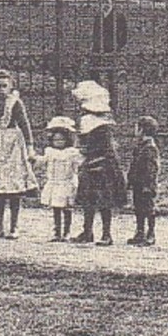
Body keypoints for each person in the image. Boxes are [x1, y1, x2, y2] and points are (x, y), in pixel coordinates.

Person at [71, 80, 127, 245]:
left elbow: (106, 148)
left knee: (104, 201)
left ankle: (106, 234)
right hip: (91, 165)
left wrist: (90, 156)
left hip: (102, 167)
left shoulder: (101, 124)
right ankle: (87, 232)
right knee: (88, 200)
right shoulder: (91, 120)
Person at [0, 69, 38, 239]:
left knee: (13, 188)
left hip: (13, 145)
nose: (1, 89)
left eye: (4, 86)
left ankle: (14, 226)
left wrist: (30, 147)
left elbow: (24, 125)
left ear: (10, 86)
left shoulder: (15, 102)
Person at [36, 116, 84, 242]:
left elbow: (78, 164)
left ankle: (66, 232)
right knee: (56, 208)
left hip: (66, 182)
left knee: (67, 209)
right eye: (56, 140)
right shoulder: (50, 151)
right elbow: (42, 161)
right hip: (54, 183)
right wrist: (34, 159)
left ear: (67, 140)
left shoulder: (72, 152)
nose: (58, 142)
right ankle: (57, 232)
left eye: (61, 140)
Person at [128, 115, 161, 246]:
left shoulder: (150, 147)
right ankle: (140, 232)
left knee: (148, 208)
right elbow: (134, 164)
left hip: (146, 184)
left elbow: (152, 168)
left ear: (142, 130)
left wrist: (149, 184)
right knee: (138, 208)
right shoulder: (139, 146)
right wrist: (130, 180)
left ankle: (151, 233)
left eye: (137, 128)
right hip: (138, 182)